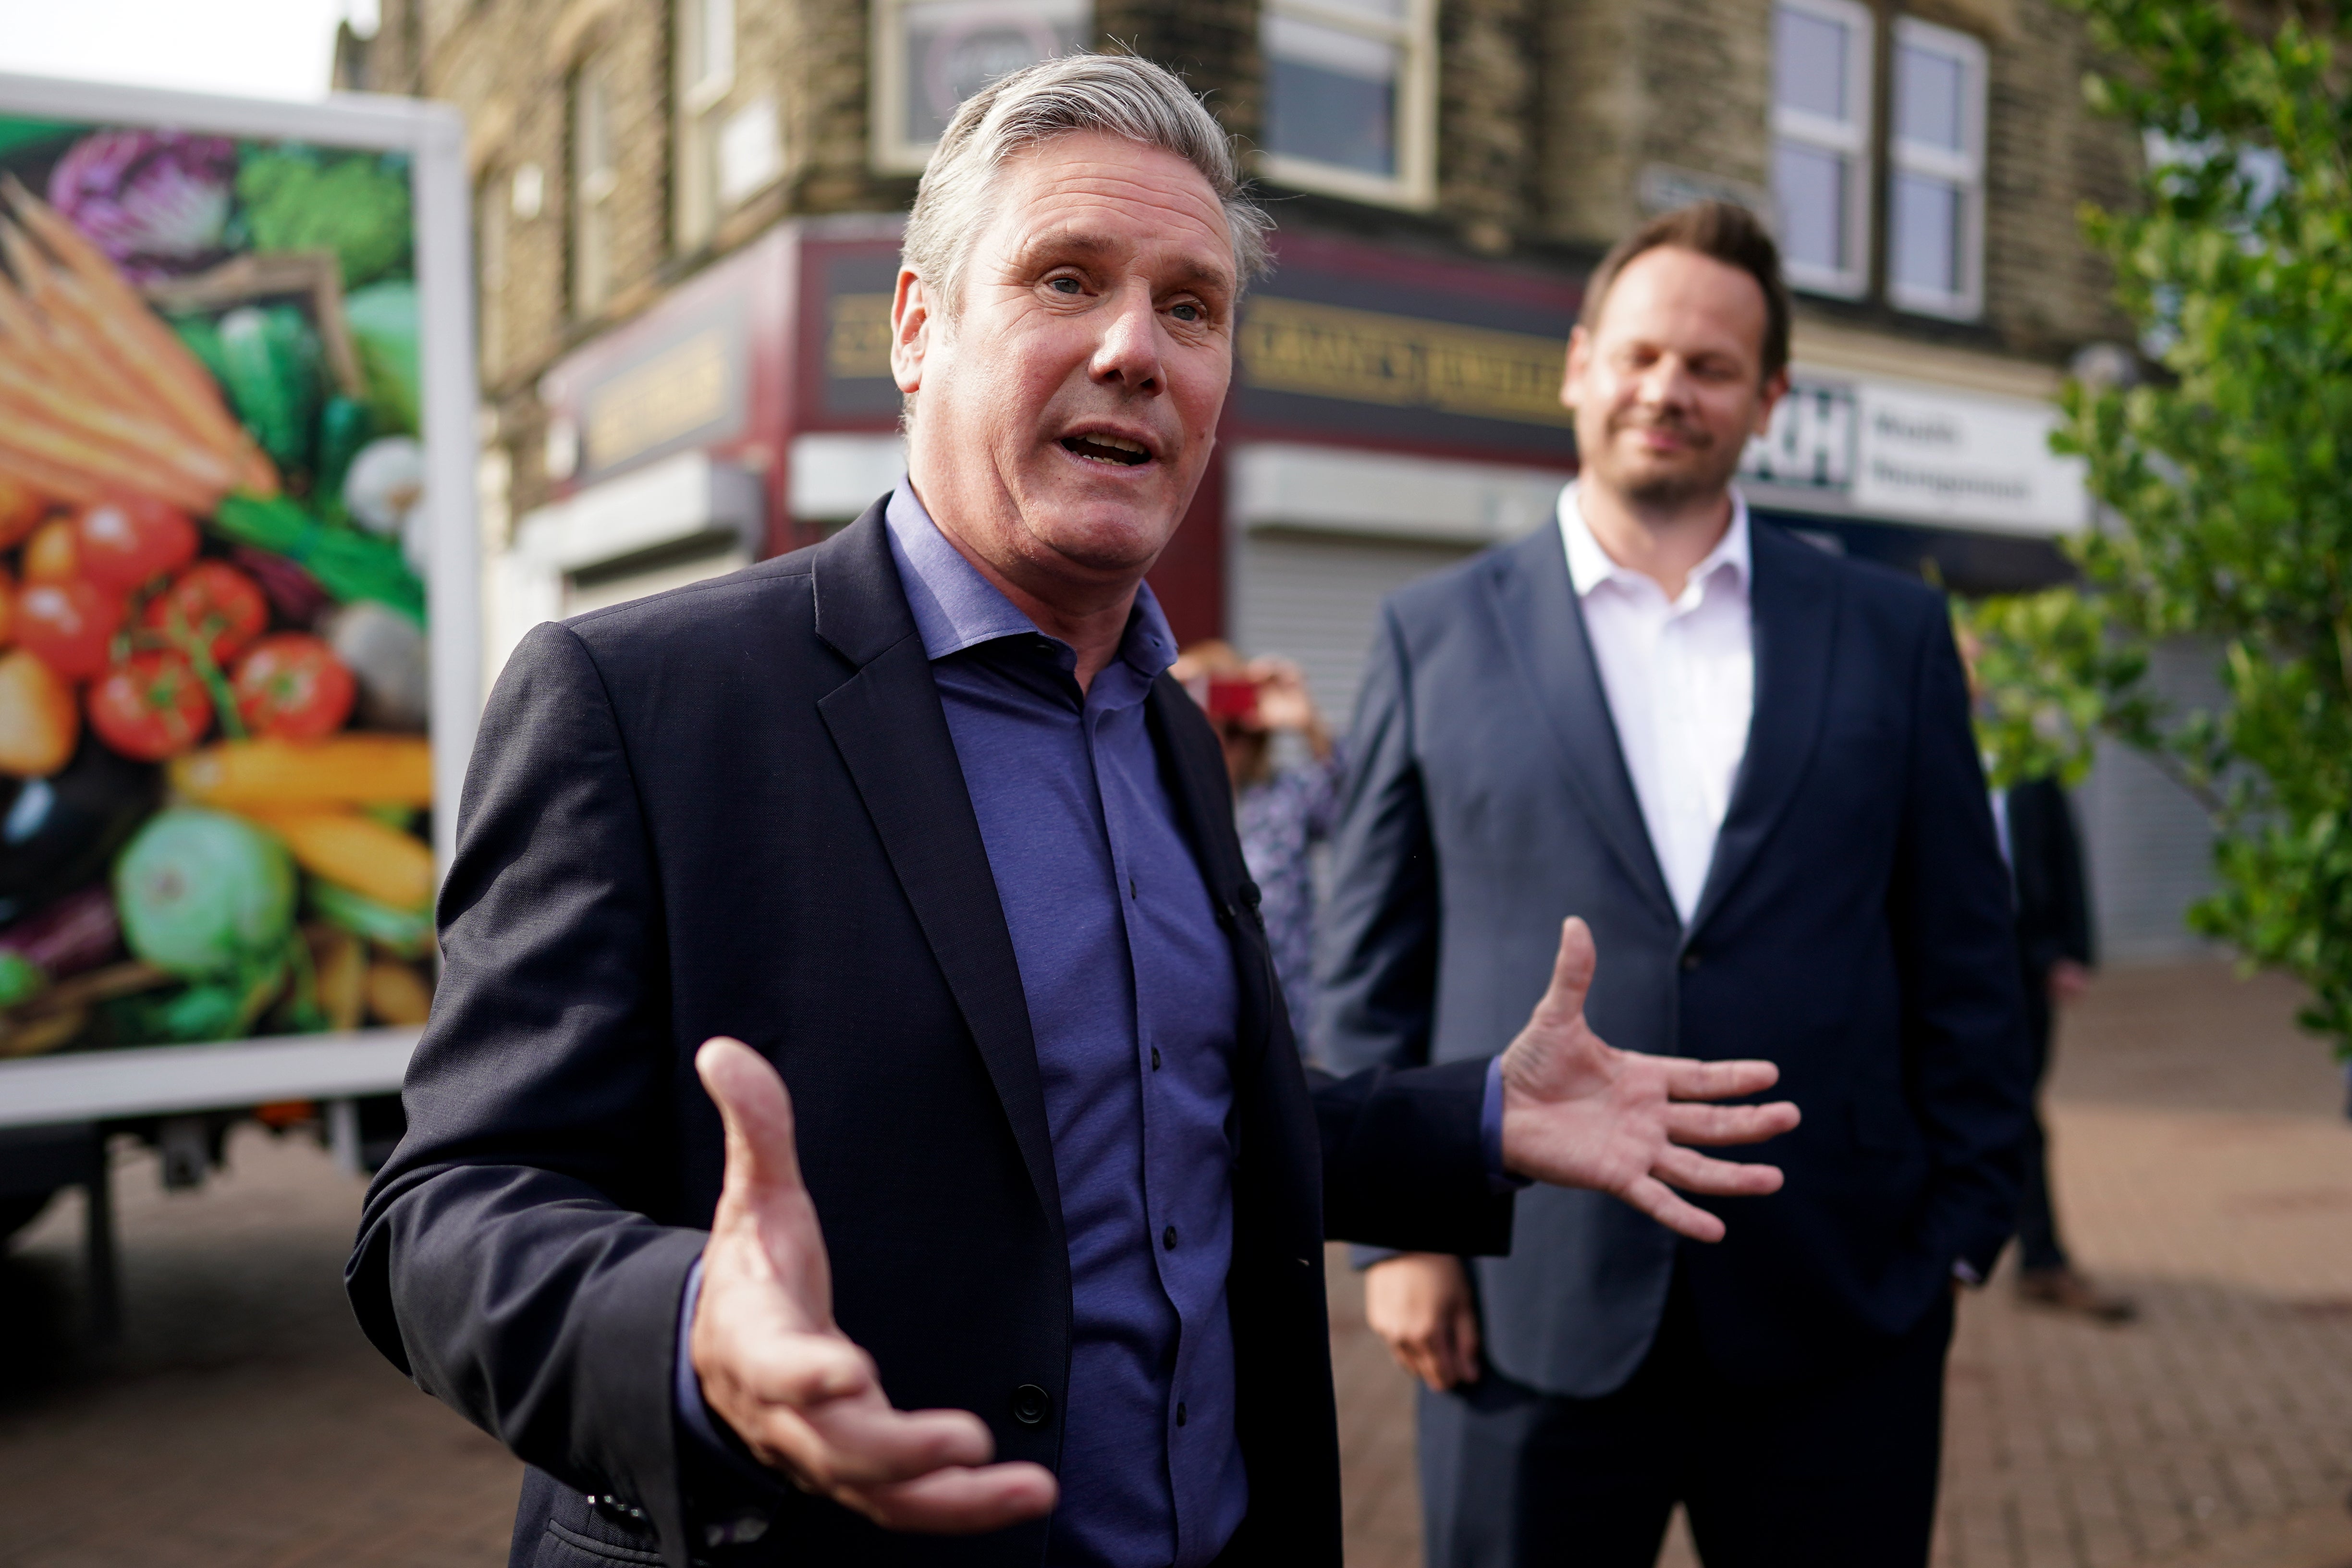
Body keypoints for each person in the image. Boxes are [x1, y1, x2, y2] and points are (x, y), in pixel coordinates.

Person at [343, 60, 1800, 1568]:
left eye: (1191, 306)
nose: (1135, 348)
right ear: (917, 327)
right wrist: (691, 1330)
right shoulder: (636, 700)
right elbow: (444, 1212)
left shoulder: (1169, 726)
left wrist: (1481, 1117)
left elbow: (1173, 1114)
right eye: (1064, 278)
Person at [1319, 201, 2034, 1568]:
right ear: (1579, 362)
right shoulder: (1434, 633)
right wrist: (1395, 1241)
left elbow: (1967, 953)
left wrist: (1960, 1230)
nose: (1668, 390)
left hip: (1841, 1310)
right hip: (1524, 1309)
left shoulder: (1890, 632)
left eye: (1711, 367)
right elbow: (1369, 965)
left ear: (1767, 400)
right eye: (1641, 354)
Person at [1998, 773, 2134, 1321]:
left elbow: (2065, 853)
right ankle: (2034, 1255)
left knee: (2022, 1109)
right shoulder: (1916, 745)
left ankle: (2038, 1260)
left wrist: (2073, 951)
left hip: (2026, 959)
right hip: (1945, 962)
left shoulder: (2027, 760)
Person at [1170, 640, 1344, 1054]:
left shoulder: (1285, 798)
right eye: (1203, 725)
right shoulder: (1153, 800)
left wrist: (1308, 723)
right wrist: (1172, 683)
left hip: (1284, 1034)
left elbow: (1363, 816)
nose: (1219, 745)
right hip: (1190, 1036)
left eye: (1234, 732)